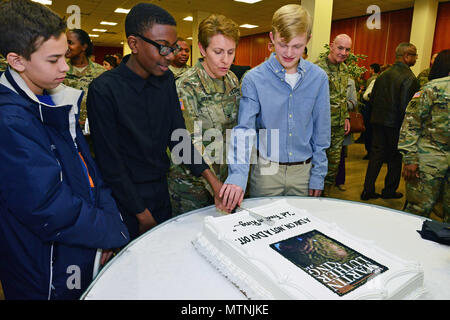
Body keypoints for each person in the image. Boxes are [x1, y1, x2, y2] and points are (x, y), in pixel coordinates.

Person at [0, 0, 129, 300]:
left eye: (66, 56)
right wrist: (112, 232)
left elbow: (89, 172)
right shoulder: (9, 120)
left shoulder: (55, 98)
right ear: (18, 61)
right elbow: (47, 206)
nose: (65, 67)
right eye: (53, 59)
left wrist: (111, 222)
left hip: (77, 248)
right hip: (42, 268)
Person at [87, 3, 227, 240]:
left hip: (161, 191)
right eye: (162, 48)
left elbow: (178, 138)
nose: (170, 56)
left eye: (172, 48)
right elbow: (111, 164)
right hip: (124, 201)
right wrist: (141, 214)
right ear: (134, 44)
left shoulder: (165, 81)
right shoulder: (104, 90)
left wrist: (212, 180)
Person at [220, 4, 331, 210]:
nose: (289, 53)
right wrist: (238, 174)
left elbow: (321, 131)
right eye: (283, 44)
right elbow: (245, 130)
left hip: (303, 174)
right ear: (272, 38)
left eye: (297, 46)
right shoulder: (254, 79)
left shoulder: (318, 78)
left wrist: (318, 174)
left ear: (308, 39)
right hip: (266, 173)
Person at [168, 14, 241, 215]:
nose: (225, 60)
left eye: (230, 52)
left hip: (224, 179)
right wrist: (215, 184)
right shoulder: (186, 85)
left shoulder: (232, 80)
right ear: (202, 49)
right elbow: (187, 142)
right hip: (193, 186)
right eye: (218, 52)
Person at [361, 43, 420, 200]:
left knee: (376, 156)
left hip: (378, 121)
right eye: (415, 55)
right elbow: (406, 107)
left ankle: (367, 189)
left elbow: (372, 99)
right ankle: (388, 191)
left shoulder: (383, 75)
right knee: (395, 158)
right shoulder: (409, 78)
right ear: (406, 56)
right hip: (395, 124)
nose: (416, 58)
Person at [398, 49, 449, 222]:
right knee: (417, 214)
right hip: (428, 162)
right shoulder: (431, 88)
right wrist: (410, 159)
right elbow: (411, 124)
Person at [315, 34, 352, 196]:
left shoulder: (344, 69)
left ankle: (325, 196)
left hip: (337, 128)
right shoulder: (317, 69)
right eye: (340, 48)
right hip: (319, 127)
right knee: (317, 164)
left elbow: (342, 97)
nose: (344, 53)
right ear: (331, 46)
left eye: (347, 49)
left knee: (333, 165)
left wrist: (346, 117)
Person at [63, 29, 105, 132]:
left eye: (70, 43)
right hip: (66, 132)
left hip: (94, 133)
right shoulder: (60, 71)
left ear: (84, 46)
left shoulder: (101, 73)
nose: (65, 46)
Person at [335, 78, 357, 191]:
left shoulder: (349, 82)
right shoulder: (322, 76)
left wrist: (339, 104)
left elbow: (354, 103)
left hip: (342, 123)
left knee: (340, 154)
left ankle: (339, 181)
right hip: (324, 123)